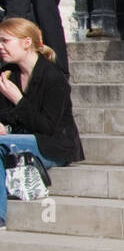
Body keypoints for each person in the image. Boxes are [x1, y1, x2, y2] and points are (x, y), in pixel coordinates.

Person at [0, 17, 84, 226]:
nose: (0, 47)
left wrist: (18, 99)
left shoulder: (54, 77)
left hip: (54, 145)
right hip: (19, 139)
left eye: (5, 41)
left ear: (26, 42)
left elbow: (46, 127)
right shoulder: (9, 75)